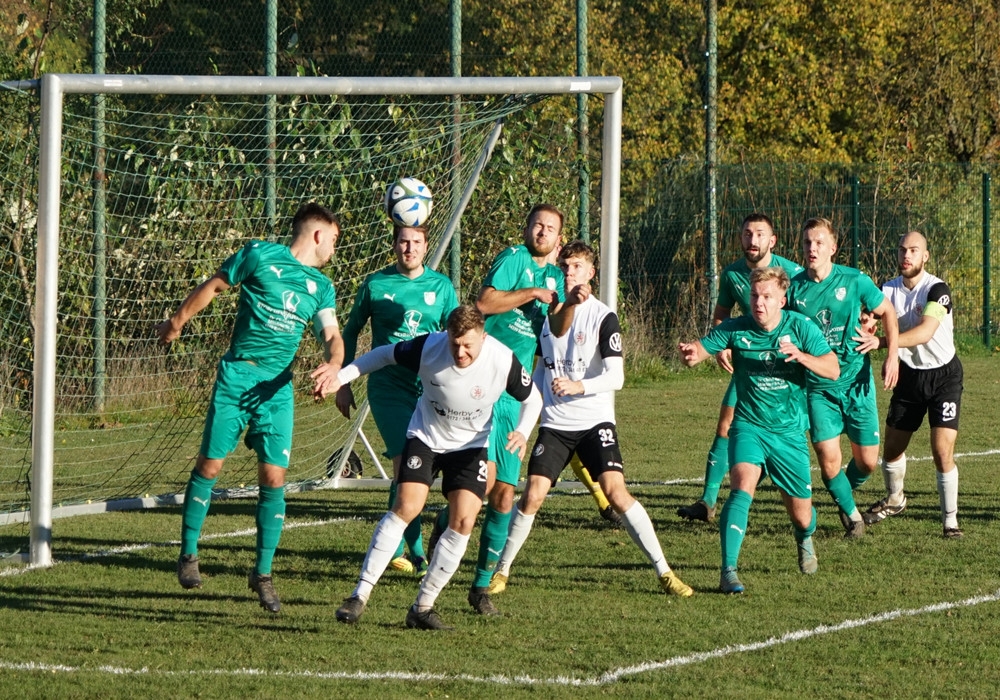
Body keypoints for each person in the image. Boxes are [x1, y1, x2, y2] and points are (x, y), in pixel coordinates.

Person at [157, 202, 344, 613]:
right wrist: (177, 321)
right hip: (238, 377)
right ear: (317, 234)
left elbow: (331, 334)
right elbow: (214, 286)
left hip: (277, 389)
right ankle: (188, 554)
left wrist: (334, 364)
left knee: (274, 477)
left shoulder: (321, 287)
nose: (334, 249)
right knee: (210, 466)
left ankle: (262, 574)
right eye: (333, 239)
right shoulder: (260, 255)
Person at [431, 203, 612, 617]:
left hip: (516, 393)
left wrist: (569, 303)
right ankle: (445, 526)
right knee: (483, 486)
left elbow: (558, 328)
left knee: (504, 494)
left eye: (550, 228)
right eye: (537, 225)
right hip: (483, 384)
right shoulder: (514, 259)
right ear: (528, 228)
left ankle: (480, 587)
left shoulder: (557, 276)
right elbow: (484, 303)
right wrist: (531, 293)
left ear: (559, 239)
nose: (542, 232)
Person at [488, 241, 693, 601]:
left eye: (577, 266)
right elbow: (541, 377)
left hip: (595, 422)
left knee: (616, 493)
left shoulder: (603, 316)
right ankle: (501, 571)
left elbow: (616, 377)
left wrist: (578, 386)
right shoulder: (549, 316)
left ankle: (665, 571)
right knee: (532, 495)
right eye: (565, 266)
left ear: (591, 273)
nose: (570, 272)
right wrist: (524, 428)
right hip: (556, 425)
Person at [321, 305, 542, 630]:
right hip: (426, 437)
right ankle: (359, 595)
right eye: (455, 343)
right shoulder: (429, 347)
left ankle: (422, 607)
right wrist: (340, 377)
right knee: (407, 506)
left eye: (468, 345)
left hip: (471, 447)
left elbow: (533, 398)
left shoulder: (502, 359)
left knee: (464, 520)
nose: (460, 353)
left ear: (483, 337)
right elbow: (382, 355)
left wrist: (522, 431)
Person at [678, 266, 839, 594]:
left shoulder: (800, 327)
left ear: (782, 300)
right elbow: (700, 351)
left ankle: (804, 537)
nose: (759, 302)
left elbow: (832, 368)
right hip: (748, 426)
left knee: (802, 516)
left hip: (789, 433)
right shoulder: (736, 328)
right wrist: (692, 355)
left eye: (767, 296)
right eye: (754, 295)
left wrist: (802, 357)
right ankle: (728, 571)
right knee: (741, 488)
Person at [335, 223, 458, 576]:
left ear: (426, 246)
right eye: (403, 241)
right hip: (387, 388)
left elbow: (456, 335)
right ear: (394, 245)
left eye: (416, 242)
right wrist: (342, 381)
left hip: (428, 389)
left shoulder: (441, 286)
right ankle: (416, 553)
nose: (410, 248)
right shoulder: (376, 284)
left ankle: (398, 542)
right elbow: (350, 331)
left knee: (425, 470)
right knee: (407, 465)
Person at [677, 213, 803, 524]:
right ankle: (707, 502)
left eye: (760, 234)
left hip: (789, 371)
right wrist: (723, 344)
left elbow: (807, 317)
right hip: (751, 365)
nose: (753, 240)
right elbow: (722, 313)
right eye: (747, 233)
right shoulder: (732, 273)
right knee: (725, 425)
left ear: (772, 240)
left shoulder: (793, 274)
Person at [786, 218, 899, 537]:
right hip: (818, 388)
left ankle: (843, 495)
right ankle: (852, 515)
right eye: (807, 242)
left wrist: (891, 354)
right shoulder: (794, 289)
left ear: (833, 248)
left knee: (867, 462)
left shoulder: (854, 280)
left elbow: (888, 312)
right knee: (829, 462)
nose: (812, 248)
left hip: (856, 383)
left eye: (819, 243)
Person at [862, 231, 964, 537]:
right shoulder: (887, 289)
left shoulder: (938, 290)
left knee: (941, 450)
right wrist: (865, 323)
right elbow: (869, 318)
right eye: (902, 250)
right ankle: (895, 499)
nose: (906, 255)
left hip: (944, 377)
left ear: (925, 256)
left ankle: (950, 521)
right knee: (892, 449)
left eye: (914, 250)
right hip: (909, 377)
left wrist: (883, 343)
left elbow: (925, 332)